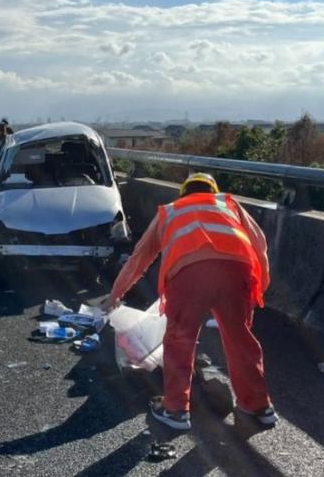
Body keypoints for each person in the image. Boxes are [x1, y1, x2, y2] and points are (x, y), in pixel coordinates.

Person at [106, 172, 276, 430]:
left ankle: (175, 411)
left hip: (188, 275)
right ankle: (259, 407)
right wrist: (260, 285)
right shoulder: (227, 203)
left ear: (184, 192)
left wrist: (116, 293)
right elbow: (259, 244)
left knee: (179, 341)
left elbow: (139, 257)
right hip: (236, 270)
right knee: (240, 340)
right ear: (213, 190)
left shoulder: (171, 211)